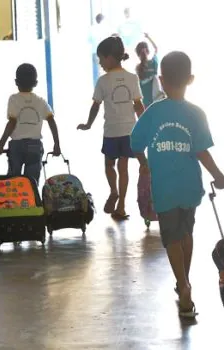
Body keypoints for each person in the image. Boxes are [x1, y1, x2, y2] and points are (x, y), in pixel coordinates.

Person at [130, 51, 224, 318]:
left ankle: (183, 285)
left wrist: (145, 163)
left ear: (160, 80)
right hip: (190, 186)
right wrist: (218, 176)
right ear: (191, 79)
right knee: (186, 233)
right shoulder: (196, 113)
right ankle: (184, 279)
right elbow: (202, 152)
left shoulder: (152, 112)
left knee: (171, 237)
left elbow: (135, 143)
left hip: (164, 187)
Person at [77, 36, 145, 221]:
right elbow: (138, 105)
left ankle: (113, 191)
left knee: (109, 164)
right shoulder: (132, 78)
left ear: (109, 57)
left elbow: (95, 106)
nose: (100, 62)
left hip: (111, 132)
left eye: (100, 58)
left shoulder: (103, 81)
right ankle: (121, 205)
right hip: (129, 132)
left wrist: (88, 124)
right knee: (124, 169)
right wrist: (145, 125)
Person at [0, 63, 61, 186]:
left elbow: (12, 122)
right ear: (35, 83)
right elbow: (51, 121)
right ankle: (32, 203)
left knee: (13, 181)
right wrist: (57, 144)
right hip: (35, 146)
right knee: (32, 182)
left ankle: (14, 204)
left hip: (16, 146)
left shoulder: (14, 99)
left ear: (16, 82)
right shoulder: (40, 101)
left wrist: (0, 144)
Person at [135, 33, 163, 107]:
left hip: (146, 103)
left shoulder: (138, 68)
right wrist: (148, 37)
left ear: (138, 54)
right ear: (148, 51)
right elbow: (156, 48)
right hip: (157, 100)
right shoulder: (154, 62)